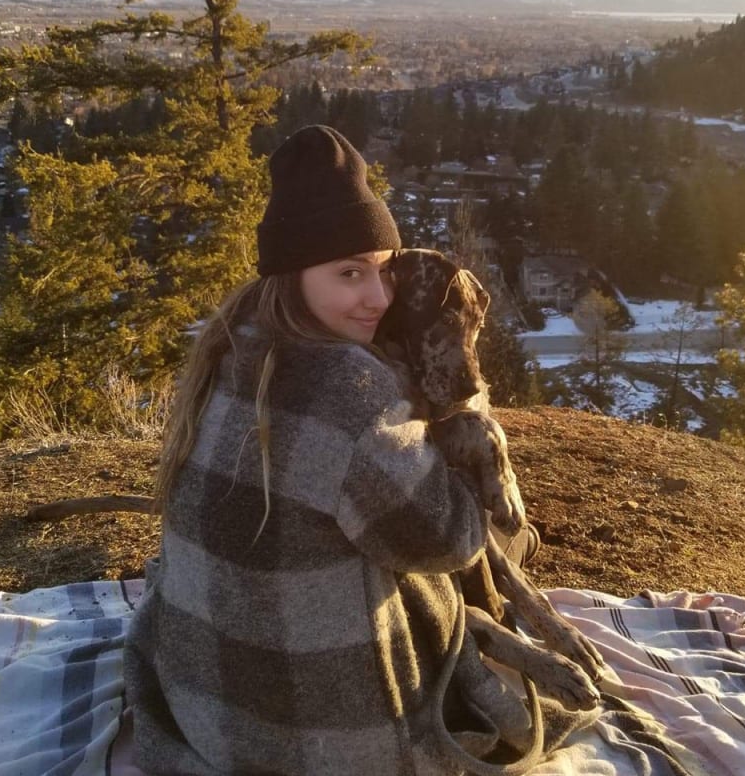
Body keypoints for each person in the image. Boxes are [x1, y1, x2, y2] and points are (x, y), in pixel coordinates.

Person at [124, 125, 539, 775]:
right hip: (330, 740)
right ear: (294, 275)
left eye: (381, 272)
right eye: (349, 274)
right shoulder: (352, 390)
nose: (376, 298)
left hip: (207, 704)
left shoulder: (229, 351)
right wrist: (461, 434)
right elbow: (453, 541)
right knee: (486, 555)